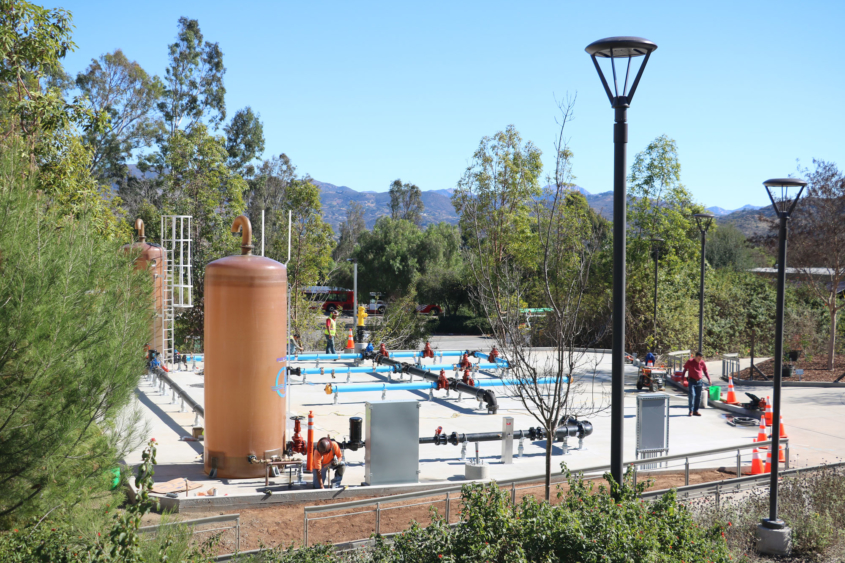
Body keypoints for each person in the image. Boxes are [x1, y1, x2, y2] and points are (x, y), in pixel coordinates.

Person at [682, 351, 711, 416]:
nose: (699, 360)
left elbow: (705, 371)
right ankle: (691, 410)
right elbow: (684, 370)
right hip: (691, 381)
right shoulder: (690, 361)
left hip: (699, 381)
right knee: (692, 395)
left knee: (698, 397)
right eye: (698, 358)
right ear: (695, 357)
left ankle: (696, 410)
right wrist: (682, 379)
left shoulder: (702, 362)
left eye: (700, 358)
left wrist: (709, 379)